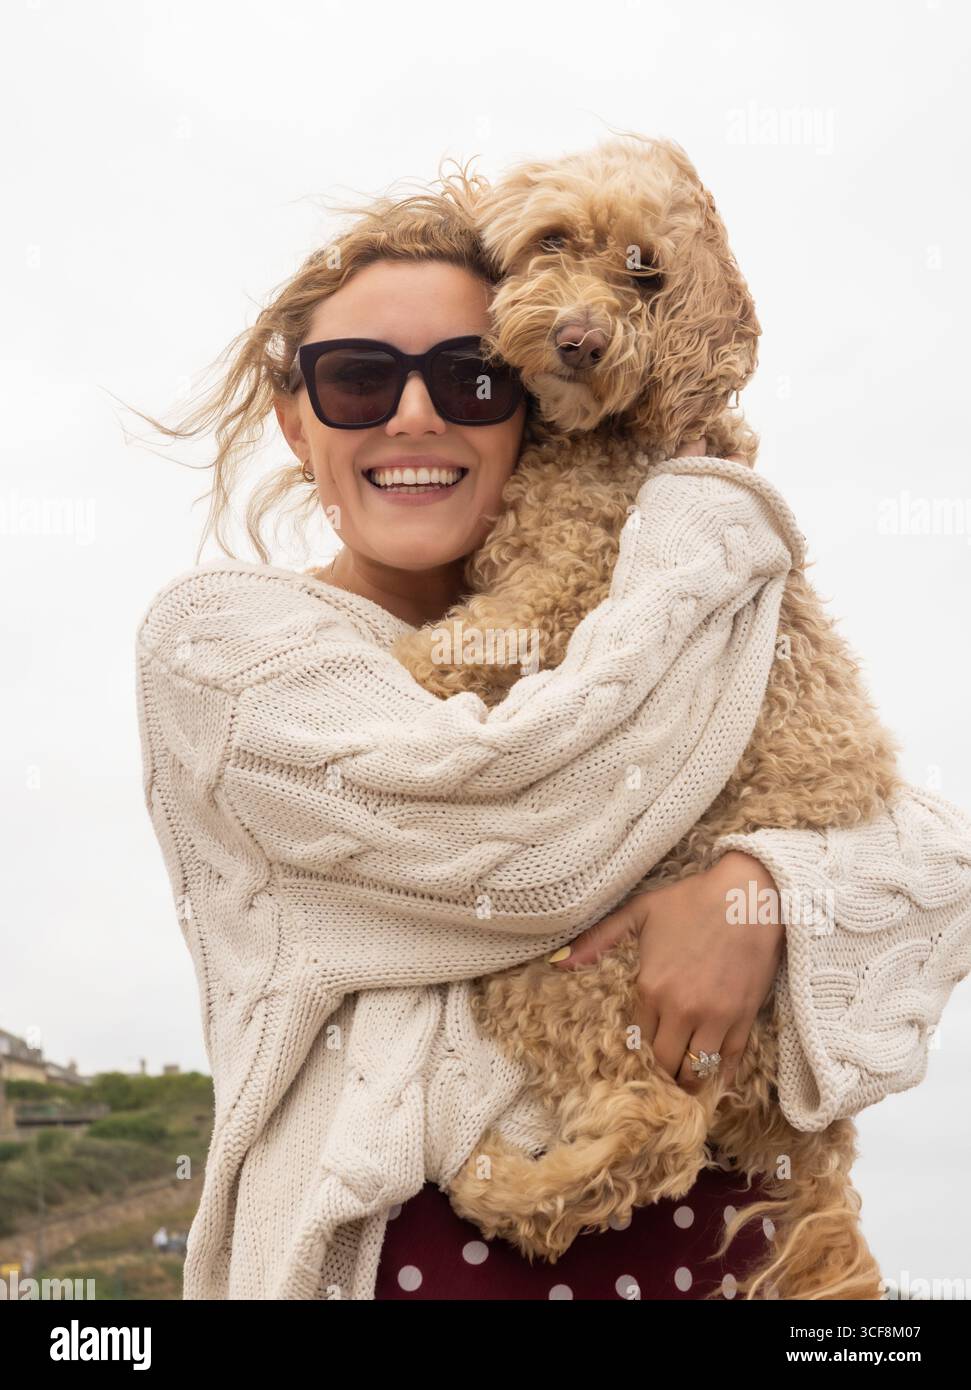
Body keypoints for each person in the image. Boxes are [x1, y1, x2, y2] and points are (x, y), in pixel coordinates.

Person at [133, 163, 971, 1300]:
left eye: (472, 378)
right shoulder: (225, 652)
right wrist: (710, 515)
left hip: (748, 1268)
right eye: (358, 378)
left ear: (530, 398)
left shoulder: (624, 620)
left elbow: (935, 861)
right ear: (293, 418)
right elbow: (528, 843)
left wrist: (756, 887)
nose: (415, 414)